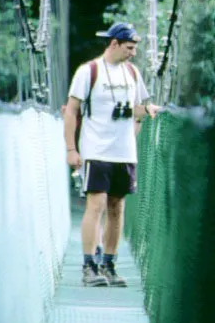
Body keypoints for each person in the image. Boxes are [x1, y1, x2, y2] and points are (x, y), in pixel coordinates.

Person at [64, 21, 160, 287]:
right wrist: (71, 149)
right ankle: (88, 267)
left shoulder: (132, 73)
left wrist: (149, 110)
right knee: (96, 206)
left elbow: (135, 110)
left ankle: (108, 264)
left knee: (117, 209)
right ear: (114, 44)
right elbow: (71, 110)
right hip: (96, 150)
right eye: (129, 48)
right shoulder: (89, 71)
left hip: (125, 153)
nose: (133, 53)